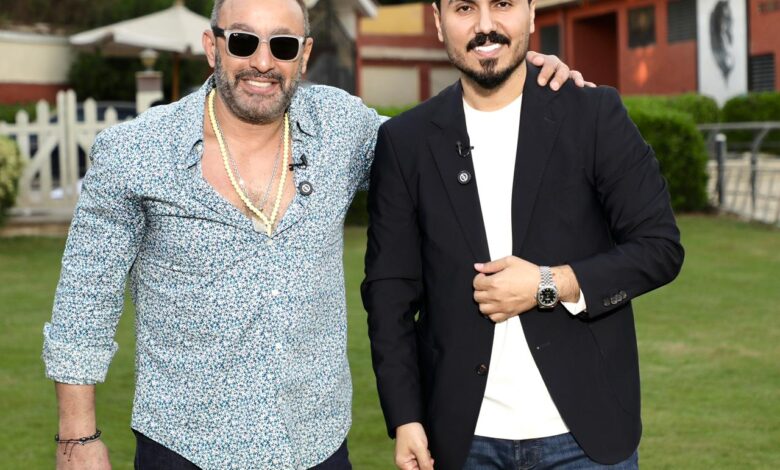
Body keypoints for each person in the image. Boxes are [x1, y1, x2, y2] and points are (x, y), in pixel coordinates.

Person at [42, 0, 583, 468]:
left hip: (317, 446)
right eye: (243, 41)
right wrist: (77, 439)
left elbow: (433, 150)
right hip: (185, 448)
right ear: (212, 47)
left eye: (281, 45)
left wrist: (518, 78)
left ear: (303, 55)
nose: (262, 62)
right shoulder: (135, 153)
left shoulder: (341, 127)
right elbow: (84, 305)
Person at [361, 0, 685, 469]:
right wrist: (406, 417)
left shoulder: (593, 113)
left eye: (503, 4)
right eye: (464, 7)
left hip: (586, 439)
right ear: (438, 22)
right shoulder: (405, 141)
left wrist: (547, 284)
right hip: (462, 440)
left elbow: (660, 247)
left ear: (532, 14)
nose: (485, 25)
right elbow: (389, 294)